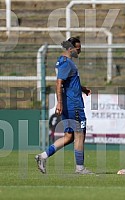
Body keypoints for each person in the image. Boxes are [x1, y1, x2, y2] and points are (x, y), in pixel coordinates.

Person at [35, 37, 93, 174]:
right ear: (70, 49)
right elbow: (59, 83)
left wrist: (82, 88)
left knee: (69, 136)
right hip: (73, 105)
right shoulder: (66, 63)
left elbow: (68, 83)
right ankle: (80, 168)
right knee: (80, 134)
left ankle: (42, 156)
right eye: (78, 48)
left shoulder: (64, 62)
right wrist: (59, 103)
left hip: (70, 104)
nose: (80, 51)